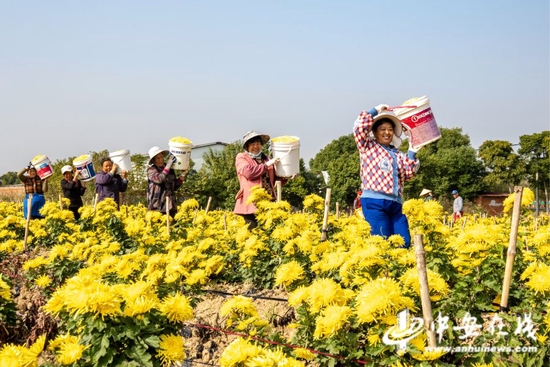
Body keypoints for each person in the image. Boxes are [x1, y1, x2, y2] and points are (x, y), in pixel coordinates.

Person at [354, 104, 420, 248]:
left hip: (395, 204)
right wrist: (375, 110)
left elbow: (409, 174)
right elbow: (359, 127)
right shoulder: (368, 146)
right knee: (381, 242)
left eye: (390, 130)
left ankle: (400, 268)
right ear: (375, 132)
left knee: (404, 242)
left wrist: (412, 151)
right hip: (374, 202)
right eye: (382, 129)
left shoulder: (397, 153)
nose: (387, 133)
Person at [234, 130, 284, 230]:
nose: (256, 146)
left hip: (268, 201)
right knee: (252, 231)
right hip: (251, 202)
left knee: (269, 231)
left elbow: (274, 179)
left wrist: (286, 176)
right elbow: (248, 173)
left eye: (258, 144)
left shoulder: (267, 159)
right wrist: (266, 165)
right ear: (247, 146)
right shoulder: (242, 157)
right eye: (253, 144)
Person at [146, 146, 187, 217]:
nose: (160, 160)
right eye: (157, 158)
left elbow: (175, 186)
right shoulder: (151, 170)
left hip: (171, 205)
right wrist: (168, 165)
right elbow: (160, 179)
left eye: (161, 157)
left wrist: (182, 175)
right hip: (157, 206)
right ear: (153, 160)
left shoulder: (170, 170)